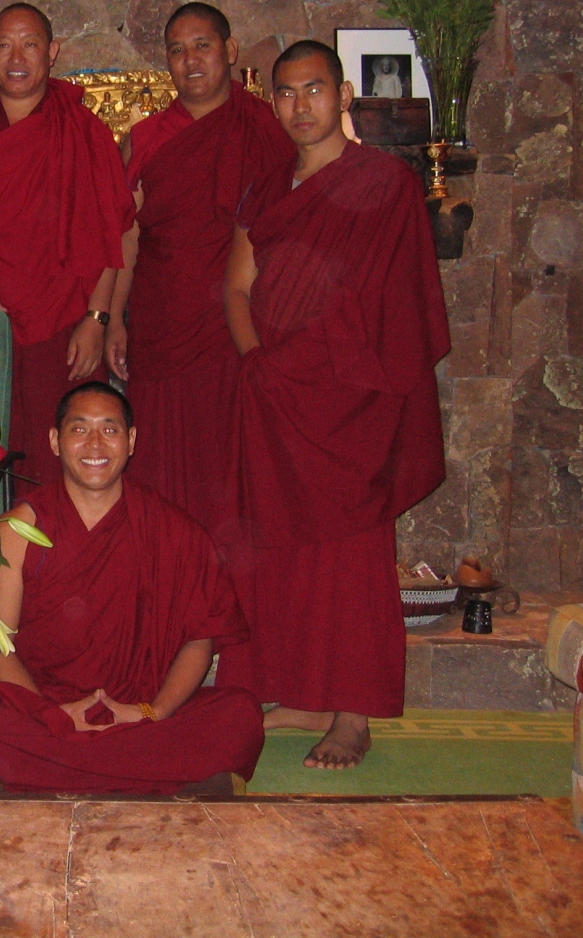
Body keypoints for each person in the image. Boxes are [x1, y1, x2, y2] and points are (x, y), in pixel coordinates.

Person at [218, 40, 448, 769]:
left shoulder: (385, 184)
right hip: (273, 393)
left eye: (314, 89)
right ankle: (302, 693)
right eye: (286, 93)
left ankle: (354, 713)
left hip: (349, 402)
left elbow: (397, 306)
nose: (300, 106)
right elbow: (236, 286)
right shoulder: (267, 188)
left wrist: (319, 371)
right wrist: (258, 361)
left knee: (352, 557)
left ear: (343, 95)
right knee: (274, 551)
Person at [0, 382, 265, 794]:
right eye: (79, 429)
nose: (95, 444)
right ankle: (154, 773)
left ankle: (68, 772)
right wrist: (53, 716)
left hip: (140, 714)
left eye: (110, 429)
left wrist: (153, 712)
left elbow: (200, 640)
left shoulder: (171, 529)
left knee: (240, 717)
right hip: (48, 711)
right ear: (55, 441)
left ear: (131, 440)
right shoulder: (15, 531)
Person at [0, 3, 132, 490]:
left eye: (30, 44)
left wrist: (97, 319)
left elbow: (108, 233)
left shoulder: (84, 130)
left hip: (66, 322)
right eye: (5, 45)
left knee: (64, 458)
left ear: (52, 52)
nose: (17, 58)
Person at [105, 3, 288, 529]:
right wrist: (113, 318)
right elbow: (126, 234)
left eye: (202, 45)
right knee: (164, 467)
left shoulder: (267, 129)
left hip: (242, 327)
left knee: (235, 467)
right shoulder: (148, 138)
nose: (190, 60)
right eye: (177, 50)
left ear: (229, 51)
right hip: (165, 322)